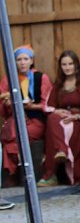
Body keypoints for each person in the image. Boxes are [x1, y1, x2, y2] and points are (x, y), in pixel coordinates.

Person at [39, 50, 80, 186]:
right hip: (61, 120)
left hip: (78, 121)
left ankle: (53, 173)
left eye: (70, 64)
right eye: (64, 64)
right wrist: (57, 111)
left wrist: (78, 116)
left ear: (76, 65)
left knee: (57, 131)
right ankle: (61, 151)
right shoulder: (58, 85)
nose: (67, 67)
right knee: (52, 118)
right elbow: (47, 106)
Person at [0, 45, 51, 185]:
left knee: (14, 139)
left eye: (25, 59)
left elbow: (47, 104)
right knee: (14, 135)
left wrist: (31, 106)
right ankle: (13, 174)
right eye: (19, 60)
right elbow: (2, 110)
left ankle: (11, 173)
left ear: (31, 61)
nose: (22, 62)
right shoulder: (8, 79)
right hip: (15, 119)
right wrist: (7, 104)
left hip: (35, 119)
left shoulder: (42, 78)